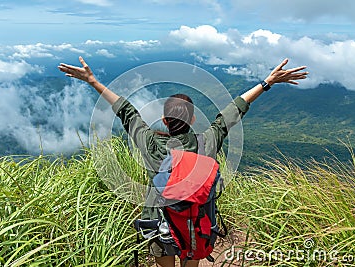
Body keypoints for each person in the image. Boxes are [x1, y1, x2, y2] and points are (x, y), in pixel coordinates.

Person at [58, 57, 308, 267]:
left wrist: (93, 82)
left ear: (165, 121)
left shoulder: (151, 144)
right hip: (196, 223)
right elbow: (232, 112)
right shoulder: (207, 142)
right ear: (193, 118)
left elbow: (128, 111)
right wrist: (266, 83)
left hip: (159, 224)